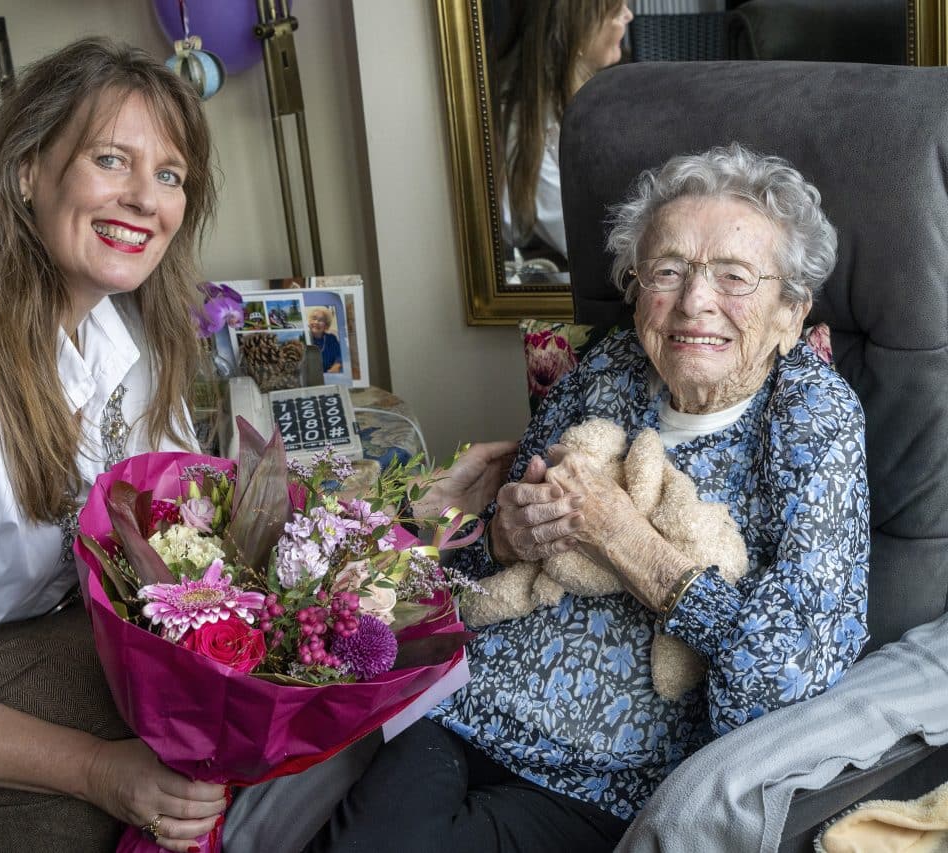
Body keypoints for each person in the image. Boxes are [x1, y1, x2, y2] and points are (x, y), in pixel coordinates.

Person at [308, 143, 869, 852]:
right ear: (638, 287)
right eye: (668, 271)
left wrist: (628, 541)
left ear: (791, 311)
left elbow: (786, 674)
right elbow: (482, 563)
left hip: (604, 779)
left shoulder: (814, 419)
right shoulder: (606, 368)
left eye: (735, 276)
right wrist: (501, 536)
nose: (696, 302)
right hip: (463, 710)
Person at [0, 37, 227, 852]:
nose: (144, 198)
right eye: (110, 159)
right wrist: (97, 768)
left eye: (168, 175)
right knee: (92, 813)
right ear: (29, 170)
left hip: (38, 626)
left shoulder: (116, 325)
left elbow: (185, 518)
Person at [497, 0, 633, 262]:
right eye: (616, 12)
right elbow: (586, 242)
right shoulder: (527, 127)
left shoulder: (593, 93)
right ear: (579, 29)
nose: (628, 15)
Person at [307, 305, 343, 373]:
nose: (316, 322)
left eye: (321, 320)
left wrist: (337, 365)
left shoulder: (331, 338)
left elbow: (340, 355)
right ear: (309, 321)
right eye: (314, 318)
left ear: (326, 325)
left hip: (329, 375)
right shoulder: (304, 338)